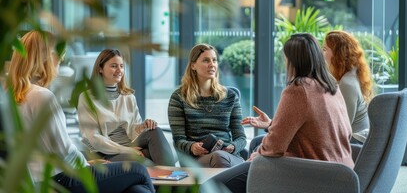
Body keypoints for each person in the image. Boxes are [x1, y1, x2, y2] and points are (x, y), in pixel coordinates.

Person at [8, 30, 154, 193]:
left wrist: (87, 162)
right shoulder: (42, 96)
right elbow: (63, 150)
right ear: (45, 58)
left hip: (34, 177)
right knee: (139, 171)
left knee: (136, 190)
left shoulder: (12, 95)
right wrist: (85, 164)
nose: (60, 62)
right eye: (59, 56)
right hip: (59, 178)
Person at [210, 33, 354, 192]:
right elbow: (328, 131)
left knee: (210, 186)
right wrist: (271, 126)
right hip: (342, 173)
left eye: (286, 59)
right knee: (257, 146)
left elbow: (274, 146)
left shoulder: (299, 89)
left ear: (293, 61)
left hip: (315, 175)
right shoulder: (331, 87)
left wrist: (253, 159)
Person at [77, 49, 175, 166]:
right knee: (147, 162)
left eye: (121, 66)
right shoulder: (87, 98)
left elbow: (133, 132)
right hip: (106, 153)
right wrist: (128, 150)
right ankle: (171, 181)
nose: (119, 70)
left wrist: (142, 127)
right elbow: (94, 139)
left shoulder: (128, 97)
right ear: (100, 69)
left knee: (155, 131)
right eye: (114, 66)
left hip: (130, 146)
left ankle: (174, 179)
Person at [168, 43, 247, 168]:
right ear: (193, 65)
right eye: (206, 60)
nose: (212, 64)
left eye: (214, 60)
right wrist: (192, 147)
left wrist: (233, 147)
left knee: (222, 157)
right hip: (195, 160)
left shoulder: (230, 96)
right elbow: (178, 140)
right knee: (219, 157)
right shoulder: (178, 97)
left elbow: (241, 138)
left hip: (228, 156)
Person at [323, 30, 374, 143]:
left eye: (325, 49)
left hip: (353, 146)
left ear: (338, 55)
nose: (322, 54)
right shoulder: (352, 76)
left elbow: (341, 130)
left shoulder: (347, 84)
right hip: (355, 143)